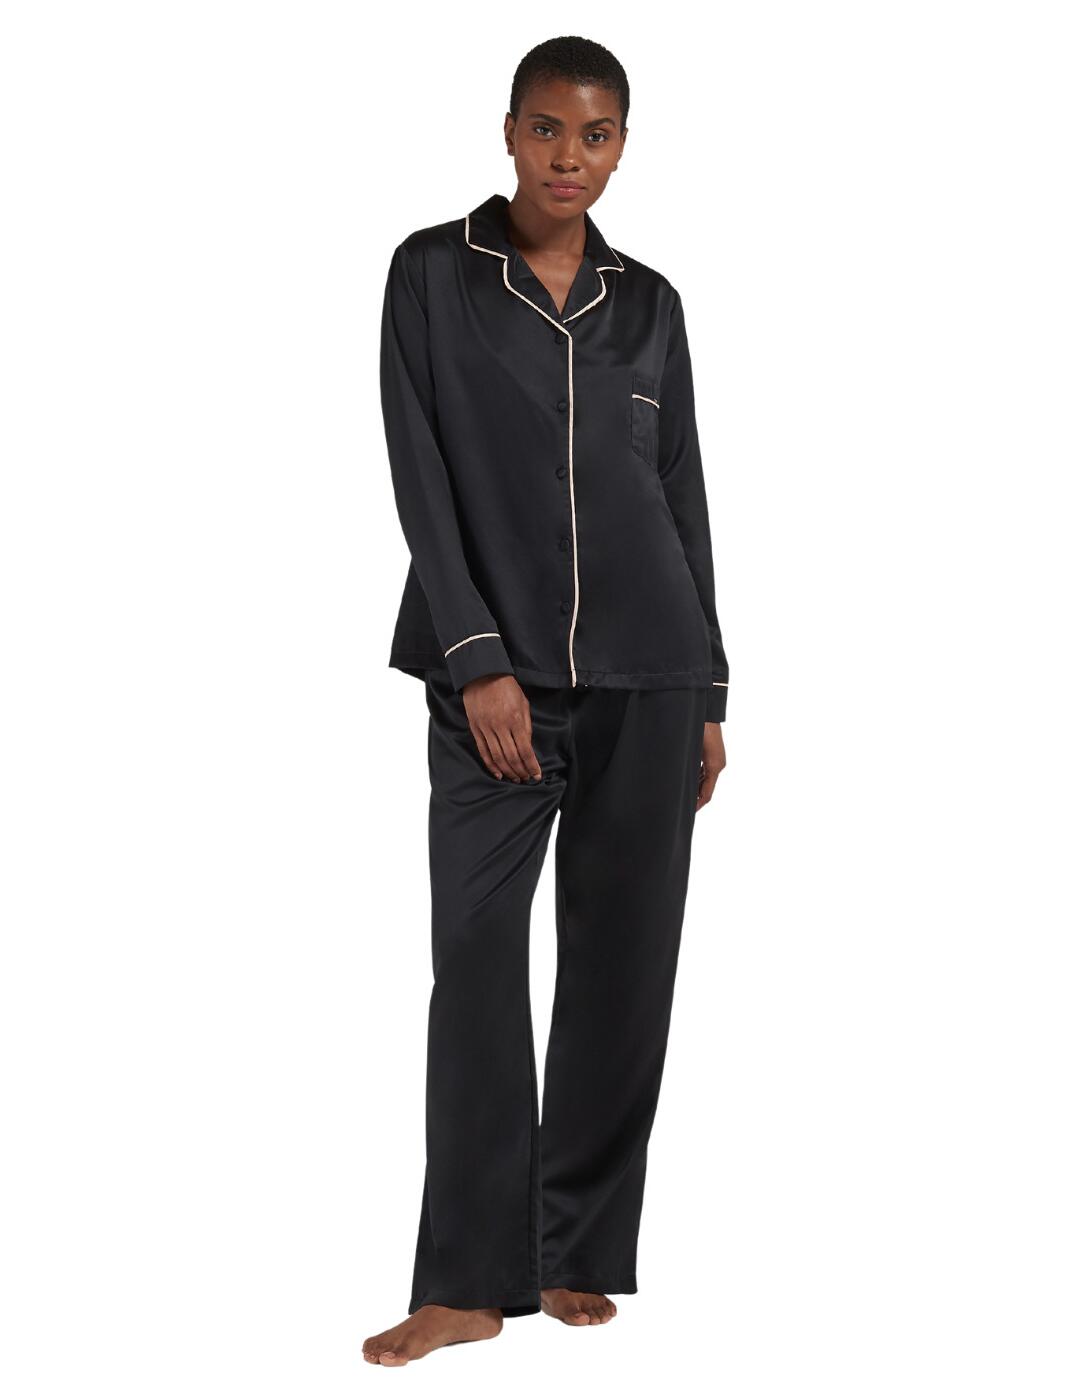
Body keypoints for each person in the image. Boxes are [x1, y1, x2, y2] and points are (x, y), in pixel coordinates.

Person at [364, 35, 730, 1367]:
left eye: (597, 134)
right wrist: (478, 659)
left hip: (651, 672)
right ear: (510, 131)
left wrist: (709, 685)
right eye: (548, 129)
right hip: (492, 682)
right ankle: (469, 1280)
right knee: (475, 960)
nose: (570, 156)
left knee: (623, 970)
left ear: (620, 147)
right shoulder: (432, 274)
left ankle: (573, 1248)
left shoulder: (651, 304)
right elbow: (421, 472)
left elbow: (678, 492)